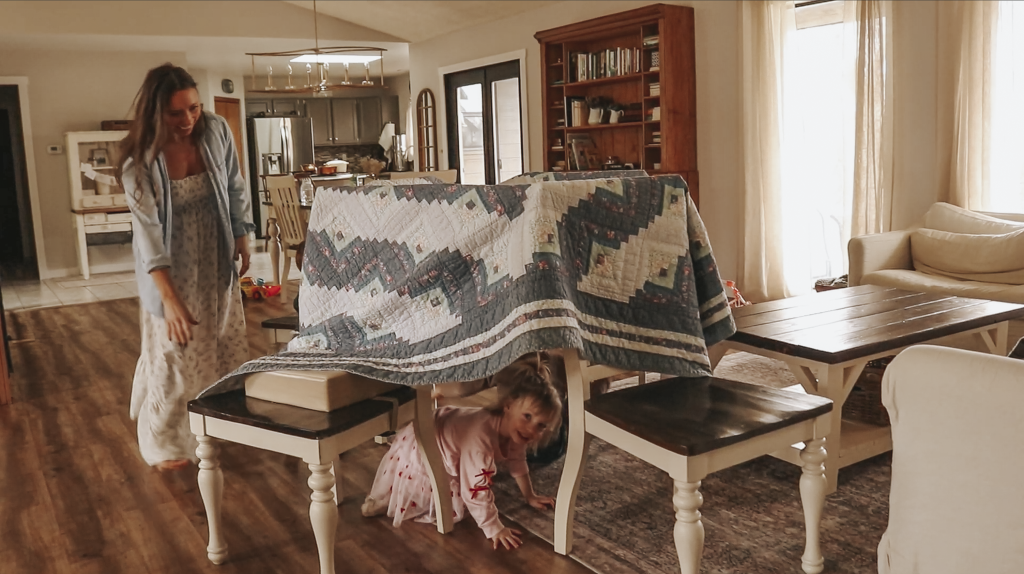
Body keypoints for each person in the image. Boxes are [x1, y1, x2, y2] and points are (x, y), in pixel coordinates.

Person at [118, 64, 254, 472]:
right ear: (156, 112)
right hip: (169, 267)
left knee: (220, 344)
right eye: (176, 113)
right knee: (173, 352)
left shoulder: (214, 130)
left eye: (194, 108)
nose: (188, 119)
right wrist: (170, 301)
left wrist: (242, 233)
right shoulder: (139, 162)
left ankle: (214, 426)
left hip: (214, 254)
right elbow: (149, 239)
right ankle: (160, 441)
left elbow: (233, 183)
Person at [362, 358, 562, 550]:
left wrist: (530, 495)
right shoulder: (480, 440)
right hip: (425, 445)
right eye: (527, 417)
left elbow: (518, 462)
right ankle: (384, 501)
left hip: (448, 436)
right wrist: (494, 528)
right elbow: (474, 490)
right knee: (434, 494)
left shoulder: (516, 431)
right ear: (508, 405)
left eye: (541, 426)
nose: (531, 429)